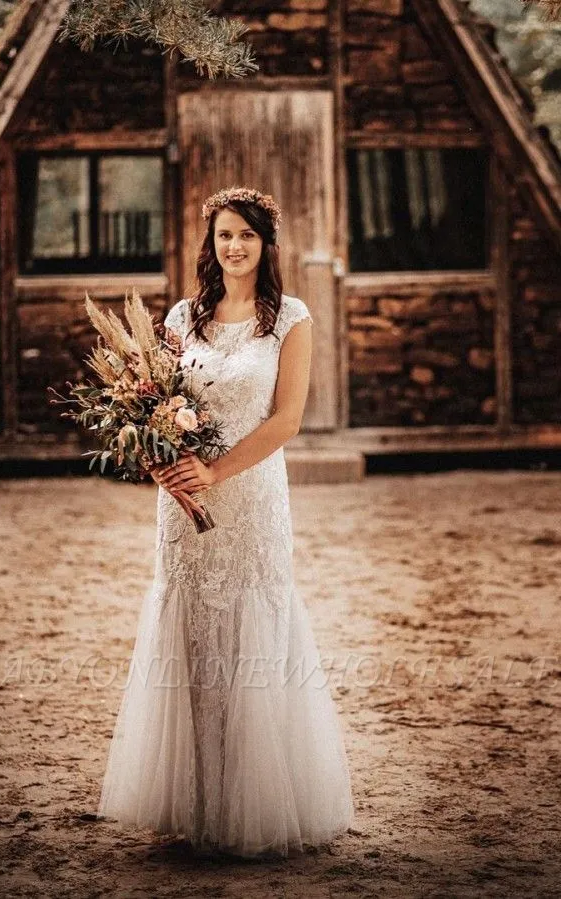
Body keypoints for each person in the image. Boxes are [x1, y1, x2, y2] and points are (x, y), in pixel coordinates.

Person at [96, 186, 355, 859]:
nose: (234, 246)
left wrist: (216, 471)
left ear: (266, 244)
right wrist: (161, 463)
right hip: (183, 504)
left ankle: (250, 808)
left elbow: (287, 419)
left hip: (251, 495)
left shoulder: (290, 319)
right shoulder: (183, 318)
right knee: (190, 629)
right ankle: (197, 805)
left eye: (246, 234)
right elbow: (152, 406)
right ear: (210, 245)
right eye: (223, 236)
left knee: (250, 628)